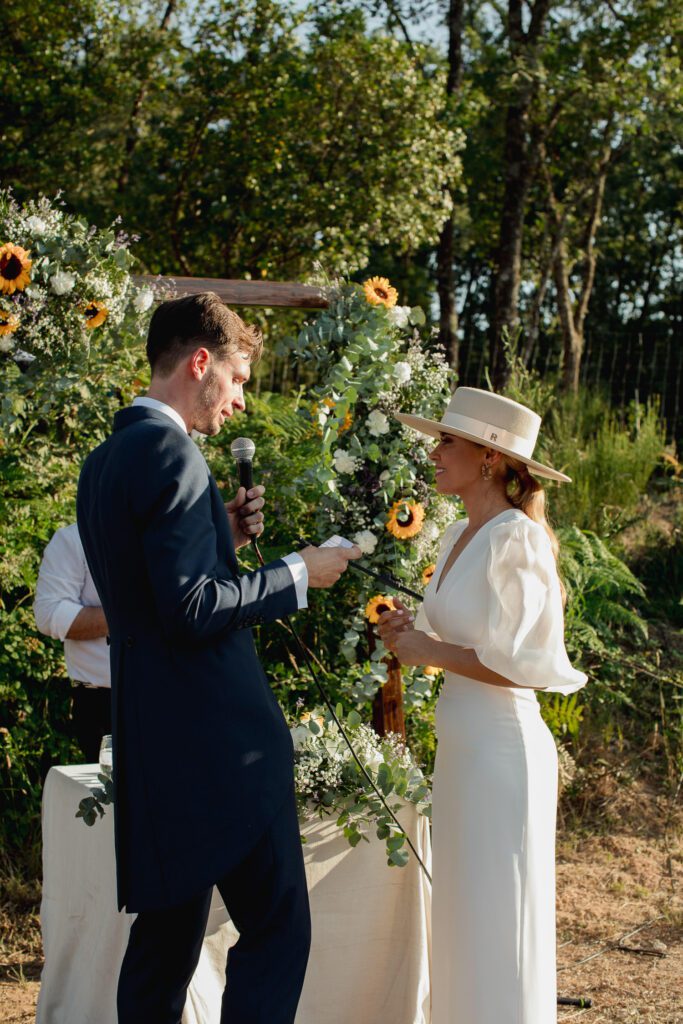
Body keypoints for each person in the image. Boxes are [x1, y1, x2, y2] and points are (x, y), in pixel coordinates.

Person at [76, 292, 361, 1024]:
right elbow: (194, 610)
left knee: (166, 941)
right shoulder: (172, 451)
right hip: (221, 744)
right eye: (235, 379)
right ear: (201, 362)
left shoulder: (105, 461)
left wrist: (220, 540)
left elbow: (152, 594)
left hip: (153, 733)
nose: (237, 402)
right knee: (275, 927)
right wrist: (299, 571)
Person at [378, 386, 587, 1024]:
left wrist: (427, 652)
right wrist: (412, 634)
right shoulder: (454, 536)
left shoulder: (515, 540)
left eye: (446, 441)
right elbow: (468, 640)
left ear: (490, 458)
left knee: (502, 921)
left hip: (502, 753)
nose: (433, 452)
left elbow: (517, 667)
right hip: (464, 750)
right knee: (465, 916)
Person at [33, 523, 111, 763]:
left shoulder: (177, 533)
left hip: (175, 694)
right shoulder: (76, 538)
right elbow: (49, 614)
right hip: (103, 703)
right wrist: (131, 614)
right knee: (116, 799)